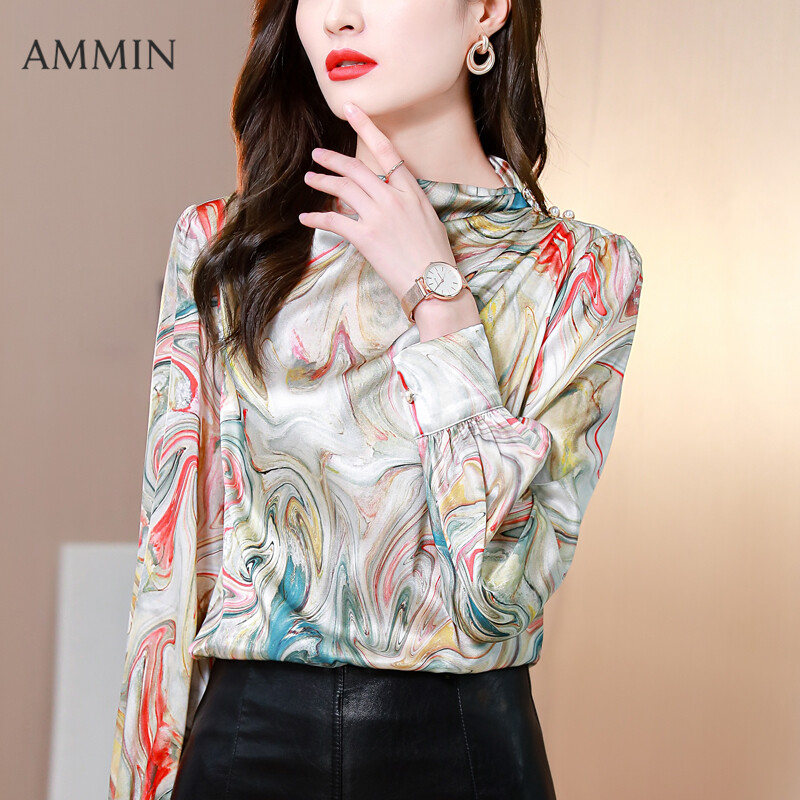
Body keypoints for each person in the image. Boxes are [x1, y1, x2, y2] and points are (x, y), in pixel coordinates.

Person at [108, 1, 644, 798]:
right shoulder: (226, 248)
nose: (339, 17)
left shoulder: (581, 271)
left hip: (461, 753)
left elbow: (501, 592)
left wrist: (440, 302)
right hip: (243, 748)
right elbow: (167, 579)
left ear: (486, 11)